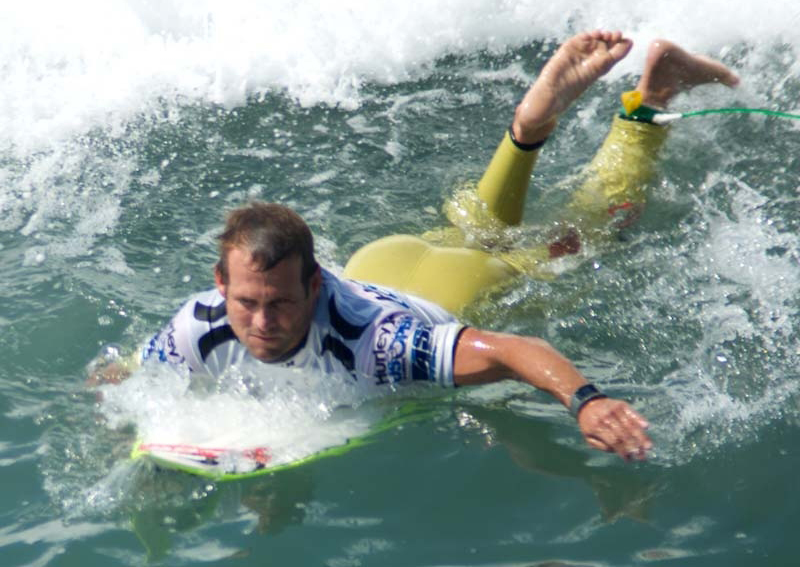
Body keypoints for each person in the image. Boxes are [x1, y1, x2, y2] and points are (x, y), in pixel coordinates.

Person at [136, 30, 739, 462]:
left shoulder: (383, 347)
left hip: (449, 290)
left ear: (313, 285)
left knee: (593, 231)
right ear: (220, 285)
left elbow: (512, 348)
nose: (261, 321)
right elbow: (140, 374)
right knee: (477, 229)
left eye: (280, 304)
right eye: (247, 303)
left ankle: (650, 99)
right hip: (382, 259)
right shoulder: (197, 323)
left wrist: (585, 401)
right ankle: (524, 132)